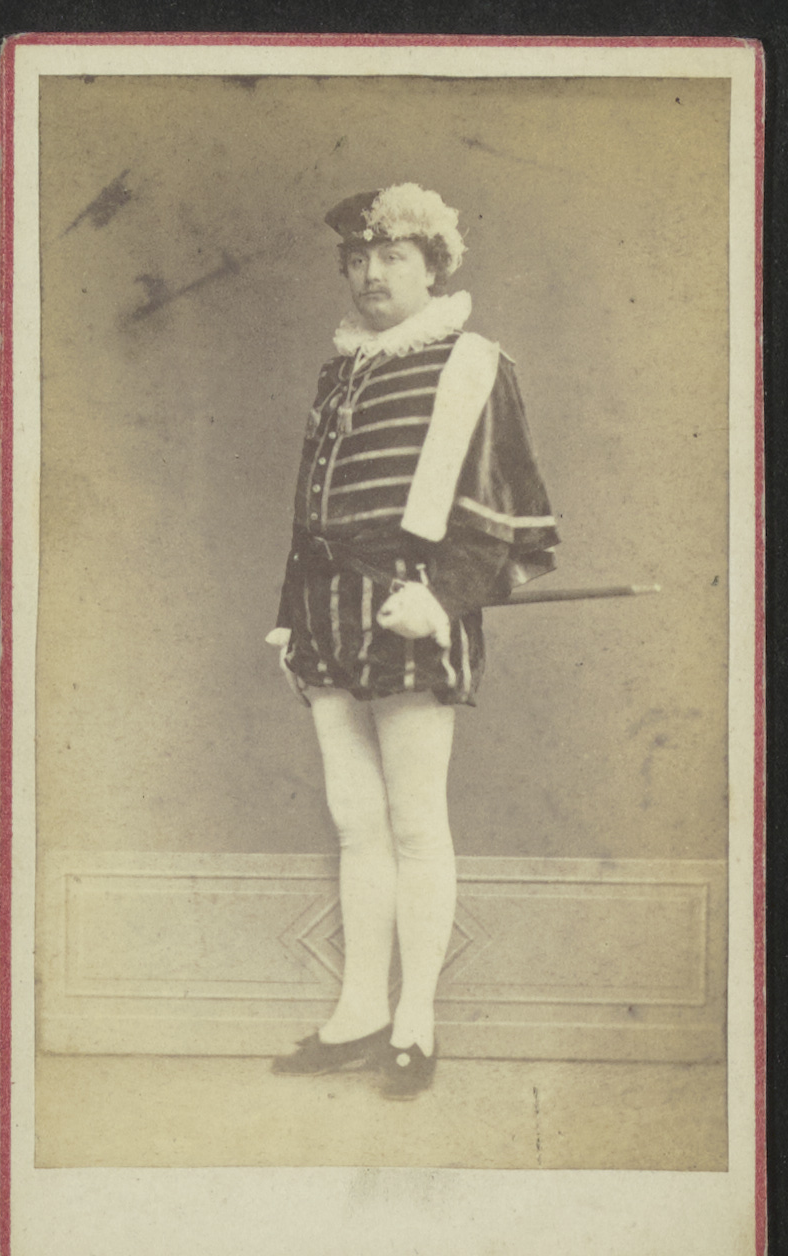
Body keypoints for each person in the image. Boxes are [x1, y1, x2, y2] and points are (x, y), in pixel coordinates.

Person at [267, 183, 559, 1099]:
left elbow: (501, 510)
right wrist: (288, 612)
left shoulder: (473, 363)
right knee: (355, 823)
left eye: (392, 257)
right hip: (324, 614)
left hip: (410, 613)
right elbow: (310, 514)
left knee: (414, 823)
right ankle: (359, 1009)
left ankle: (415, 1022)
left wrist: (440, 599)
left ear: (433, 267)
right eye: (356, 259)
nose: (370, 275)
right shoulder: (341, 370)